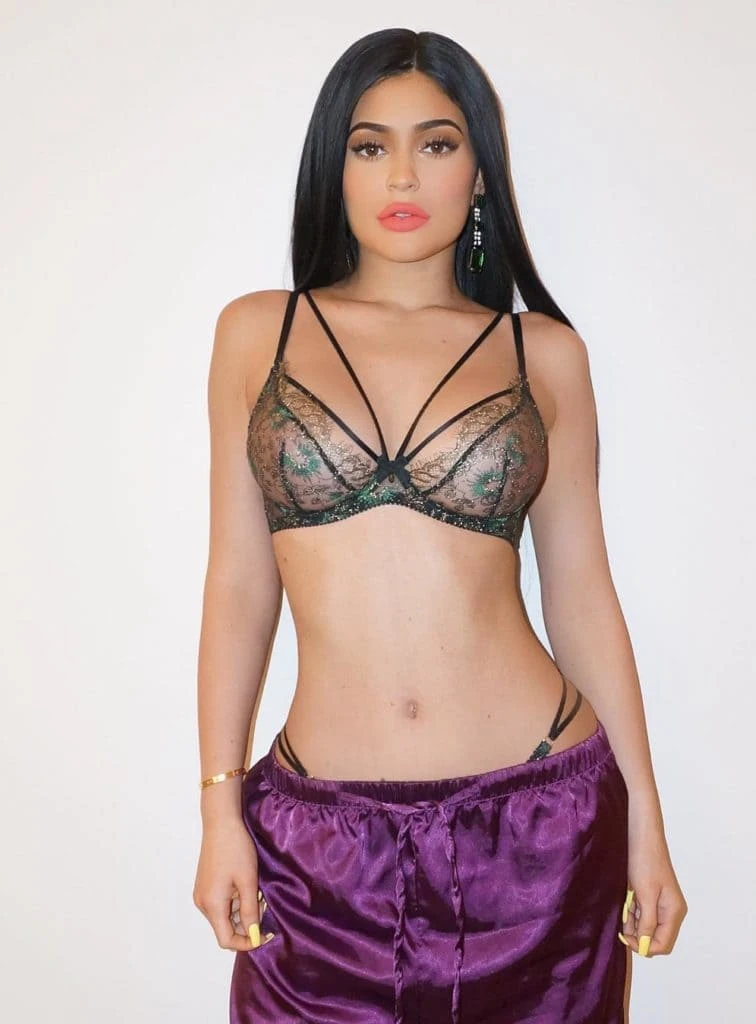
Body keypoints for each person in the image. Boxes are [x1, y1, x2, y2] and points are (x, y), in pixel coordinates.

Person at [193, 27, 687, 1024]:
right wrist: (217, 803)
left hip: (544, 831)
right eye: (369, 145)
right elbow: (239, 585)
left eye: (438, 142)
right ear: (333, 166)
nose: (402, 174)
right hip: (316, 849)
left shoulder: (544, 354)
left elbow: (582, 596)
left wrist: (645, 818)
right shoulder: (257, 333)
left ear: (480, 172)